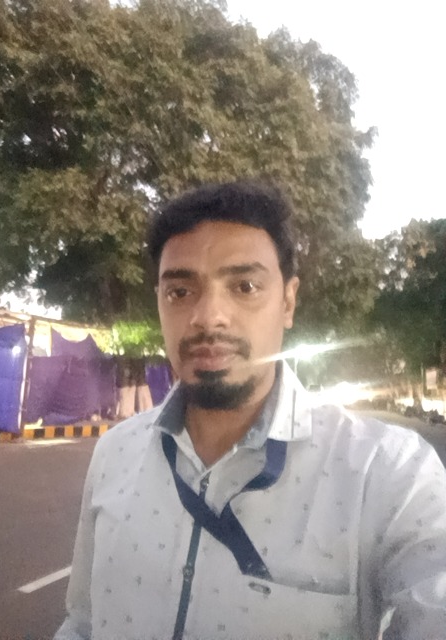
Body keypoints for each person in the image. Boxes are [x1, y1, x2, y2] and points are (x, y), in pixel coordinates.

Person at [55, 181, 446, 640]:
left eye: (244, 286)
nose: (208, 317)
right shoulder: (115, 453)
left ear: (288, 301)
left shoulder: (388, 475)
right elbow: (83, 624)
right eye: (180, 291)